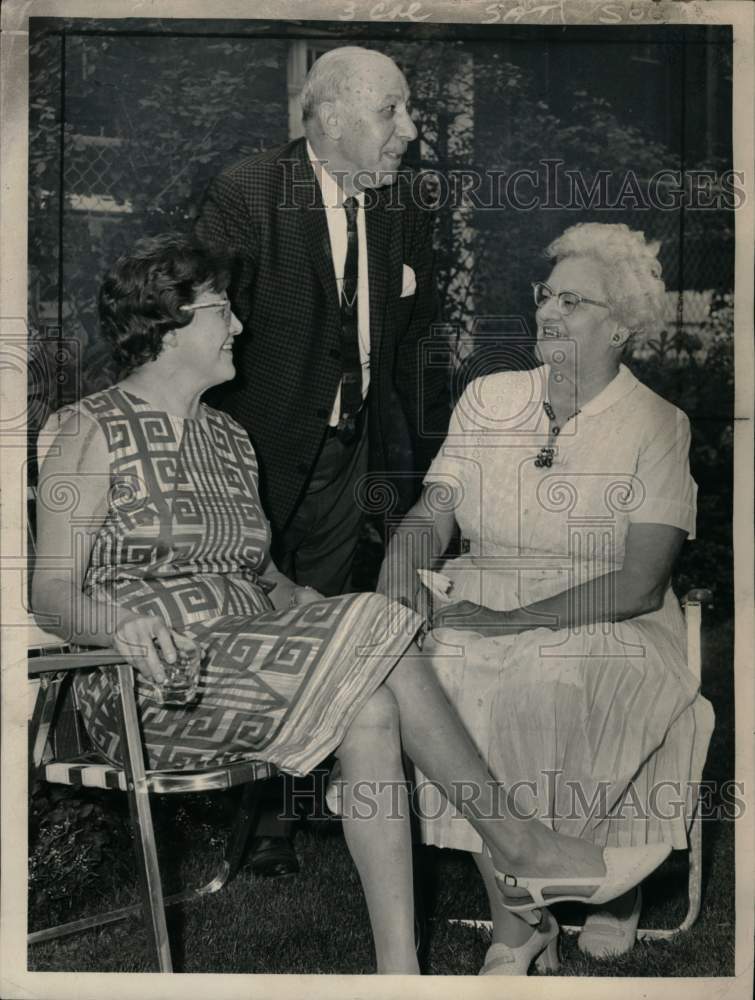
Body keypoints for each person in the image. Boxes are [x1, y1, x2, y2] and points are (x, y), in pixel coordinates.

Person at [33, 234, 671, 975]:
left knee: (372, 704)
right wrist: (123, 622)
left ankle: (397, 974)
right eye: (222, 311)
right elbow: (49, 591)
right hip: (149, 684)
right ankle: (523, 845)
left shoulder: (230, 440)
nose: (239, 325)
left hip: (252, 657)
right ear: (168, 321)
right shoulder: (90, 429)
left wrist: (311, 605)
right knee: (379, 622)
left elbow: (262, 576)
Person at [378, 222, 715, 973]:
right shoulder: (490, 397)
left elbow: (638, 580)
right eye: (545, 296)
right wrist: (398, 579)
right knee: (440, 671)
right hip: (482, 587)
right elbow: (432, 514)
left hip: (603, 607)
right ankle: (524, 917)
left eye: (574, 301)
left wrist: (511, 620)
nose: (548, 313)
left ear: (621, 326)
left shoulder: (657, 423)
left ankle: (602, 883)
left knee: (546, 677)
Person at [194, 45, 449, 869]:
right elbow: (206, 326)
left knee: (329, 616)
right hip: (257, 450)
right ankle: (253, 812)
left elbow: (409, 315)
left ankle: (303, 805)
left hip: (352, 446)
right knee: (255, 614)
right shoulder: (249, 193)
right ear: (331, 114)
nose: (409, 132)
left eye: (407, 112)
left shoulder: (403, 201)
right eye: (392, 112)